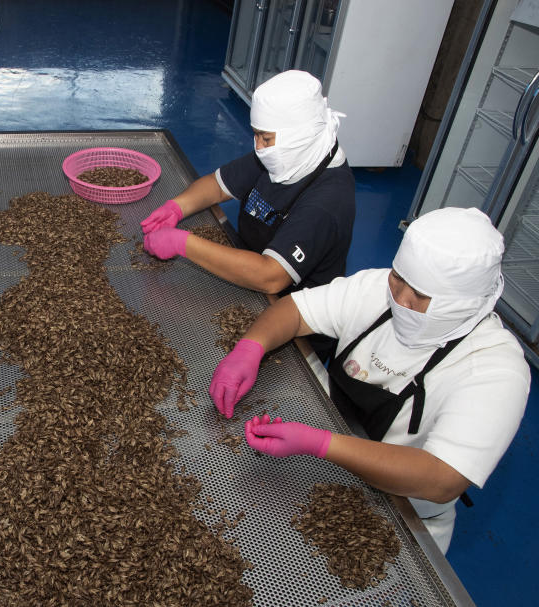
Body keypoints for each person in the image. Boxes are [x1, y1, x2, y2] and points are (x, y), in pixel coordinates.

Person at [210, 207, 530, 554]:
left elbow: (441, 479)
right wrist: (249, 348)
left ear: (461, 304)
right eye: (398, 278)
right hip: (311, 460)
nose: (400, 299)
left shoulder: (495, 370)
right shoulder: (378, 288)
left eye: (420, 296)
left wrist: (319, 444)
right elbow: (295, 311)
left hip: (398, 513)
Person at [141, 71, 354, 358]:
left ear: (299, 137)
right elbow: (217, 186)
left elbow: (270, 276)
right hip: (245, 281)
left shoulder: (327, 202)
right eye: (256, 136)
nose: (258, 147)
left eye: (265, 139)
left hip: (292, 326)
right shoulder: (284, 155)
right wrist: (177, 206)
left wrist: (183, 243)